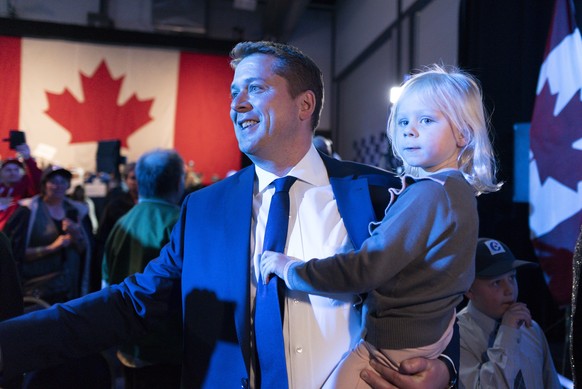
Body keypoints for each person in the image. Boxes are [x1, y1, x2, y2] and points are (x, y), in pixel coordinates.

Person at [0, 41, 455, 389]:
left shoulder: (383, 193)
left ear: (305, 105)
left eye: (255, 89)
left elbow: (446, 288)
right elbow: (131, 303)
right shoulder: (204, 209)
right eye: (234, 92)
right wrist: (9, 344)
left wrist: (444, 368)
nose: (236, 104)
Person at [260, 64, 501, 388]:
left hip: (391, 348)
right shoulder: (457, 191)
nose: (409, 130)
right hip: (420, 338)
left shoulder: (419, 192)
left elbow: (368, 267)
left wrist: (291, 270)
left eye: (425, 120)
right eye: (403, 121)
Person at [102, 149, 185, 389]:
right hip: (167, 347)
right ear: (178, 181)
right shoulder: (180, 222)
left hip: (128, 344)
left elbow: (106, 283)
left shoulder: (122, 222)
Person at [457, 237, 561, 388]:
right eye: (496, 282)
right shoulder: (457, 337)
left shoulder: (531, 329)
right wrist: (508, 334)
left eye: (512, 277)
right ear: (469, 289)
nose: (510, 290)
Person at [3, 166, 93, 304]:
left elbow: (86, 253)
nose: (58, 186)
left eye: (63, 181)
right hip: (37, 288)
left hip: (70, 288)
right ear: (44, 185)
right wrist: (51, 248)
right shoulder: (27, 211)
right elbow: (15, 254)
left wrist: (76, 236)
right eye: (53, 181)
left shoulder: (77, 211)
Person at [0, 143, 42, 231]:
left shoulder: (26, 189)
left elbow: (38, 181)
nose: (13, 172)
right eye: (8, 170)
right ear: (1, 173)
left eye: (16, 169)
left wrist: (28, 159)